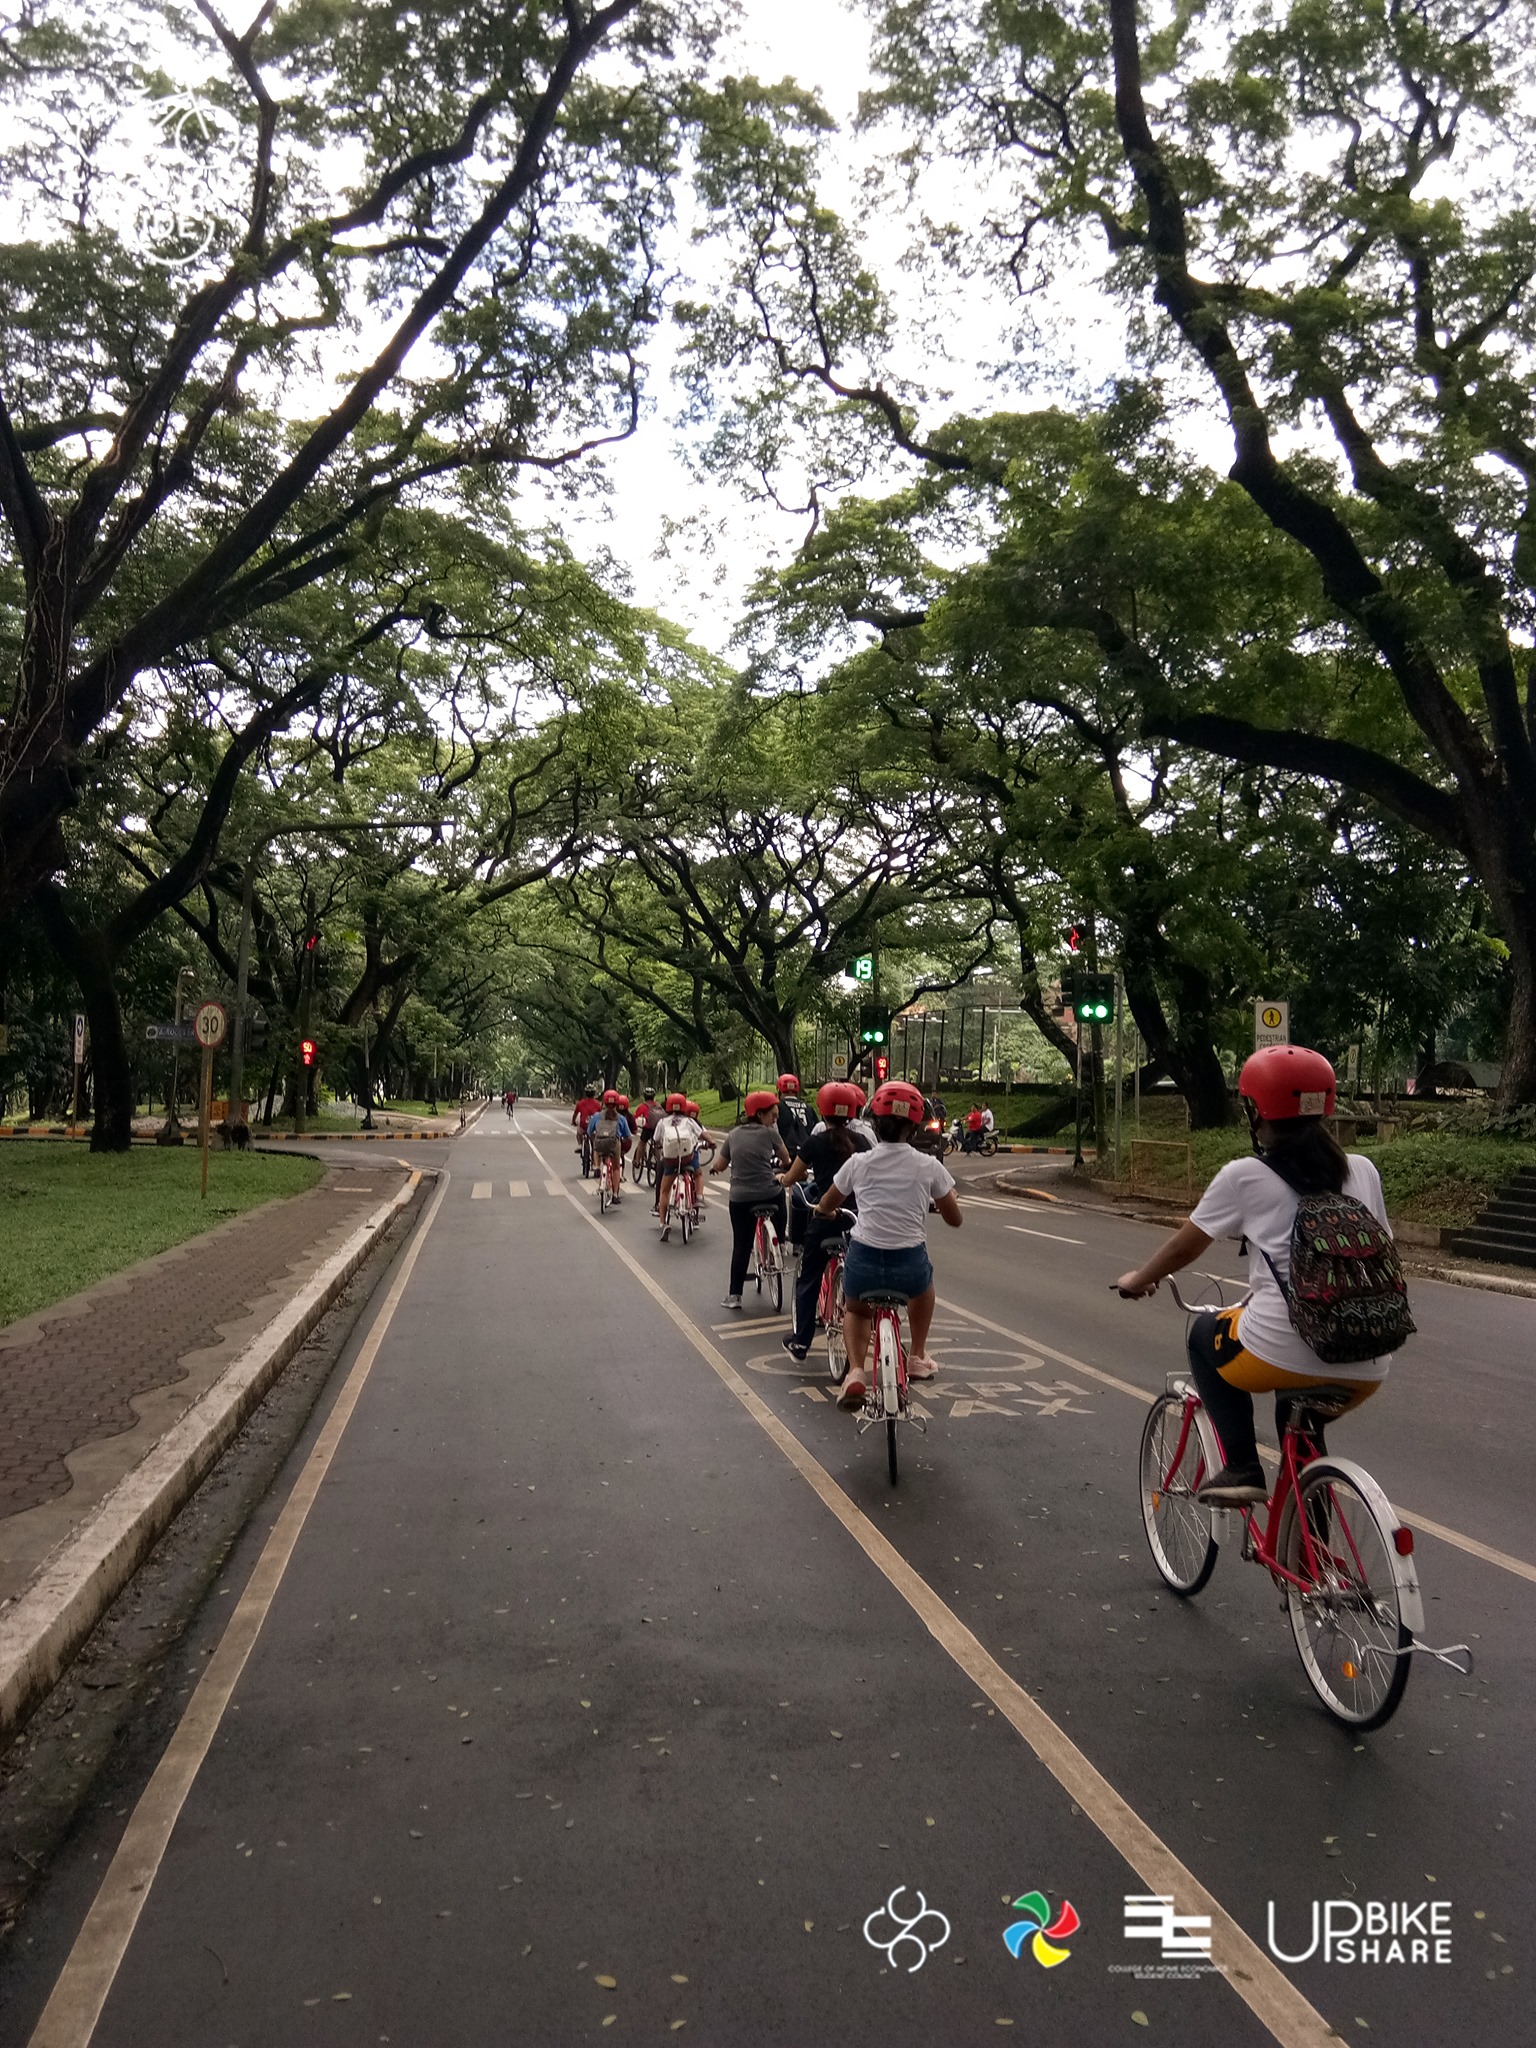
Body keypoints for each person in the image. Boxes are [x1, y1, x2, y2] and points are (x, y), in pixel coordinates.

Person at [1114, 1044, 1401, 1503]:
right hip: (1368, 1357)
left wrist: (1139, 1278)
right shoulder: (1362, 1169)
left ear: (1257, 1111)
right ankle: (1314, 1569)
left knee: (1202, 1337)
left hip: (1280, 1348)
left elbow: (1186, 1245)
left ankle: (1242, 1466)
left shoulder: (1244, 1175)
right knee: (1303, 1436)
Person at [814, 1079, 962, 1408]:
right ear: (913, 1125)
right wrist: (939, 1201)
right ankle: (918, 1356)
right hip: (908, 1266)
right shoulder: (929, 1166)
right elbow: (955, 1218)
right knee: (924, 1289)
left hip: (864, 1261)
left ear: (874, 1123)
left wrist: (824, 1210)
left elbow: (828, 1201)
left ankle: (855, 1372)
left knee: (856, 1309)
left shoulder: (858, 1163)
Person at [779, 1081, 870, 1361]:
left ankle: (801, 1342)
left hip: (827, 1215)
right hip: (857, 1218)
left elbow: (793, 1176)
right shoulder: (863, 1142)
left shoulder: (815, 1142)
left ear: (823, 1110)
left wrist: (783, 1179)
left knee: (809, 1276)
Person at [710, 1090, 790, 1308]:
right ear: (759, 1114)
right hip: (768, 1193)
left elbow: (720, 1164)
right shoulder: (771, 1134)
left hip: (740, 1198)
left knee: (741, 1245)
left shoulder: (733, 1134)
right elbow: (786, 1159)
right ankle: (781, 1242)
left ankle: (734, 1295)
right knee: (780, 1192)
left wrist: (714, 1170)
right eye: (772, 1116)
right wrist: (782, 1167)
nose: (775, 1120)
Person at [655, 1093, 704, 1235]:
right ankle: (699, 1197)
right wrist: (711, 1142)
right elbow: (702, 1134)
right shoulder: (689, 1122)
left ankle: (663, 1223)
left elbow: (656, 1139)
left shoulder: (663, 1122)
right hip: (688, 1158)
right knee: (698, 1173)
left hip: (670, 1161)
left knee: (664, 1191)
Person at [587, 1090, 631, 1202]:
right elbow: (627, 1136)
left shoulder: (597, 1116)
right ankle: (615, 1195)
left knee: (596, 1145)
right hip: (614, 1145)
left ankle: (597, 1166)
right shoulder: (621, 1118)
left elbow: (589, 1131)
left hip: (600, 1144)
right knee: (616, 1168)